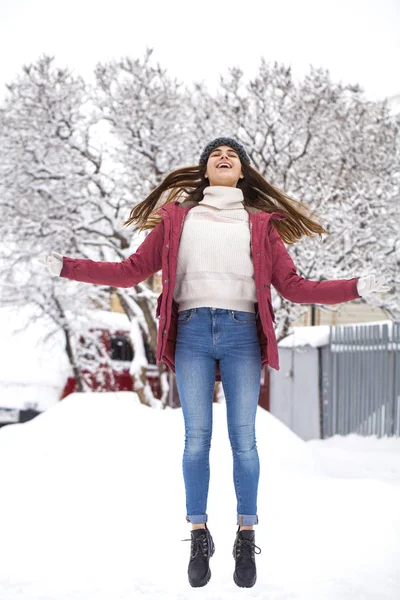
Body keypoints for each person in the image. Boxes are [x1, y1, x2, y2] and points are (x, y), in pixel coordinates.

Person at [38, 136, 390, 588]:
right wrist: (67, 266)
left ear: (241, 171)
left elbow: (296, 287)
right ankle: (199, 533)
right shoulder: (176, 220)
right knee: (196, 440)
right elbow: (129, 271)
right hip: (193, 333)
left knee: (244, 439)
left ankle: (245, 534)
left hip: (243, 332)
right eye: (215, 155)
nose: (224, 158)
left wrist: (358, 285)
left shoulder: (259, 224)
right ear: (205, 169)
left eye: (233, 155)